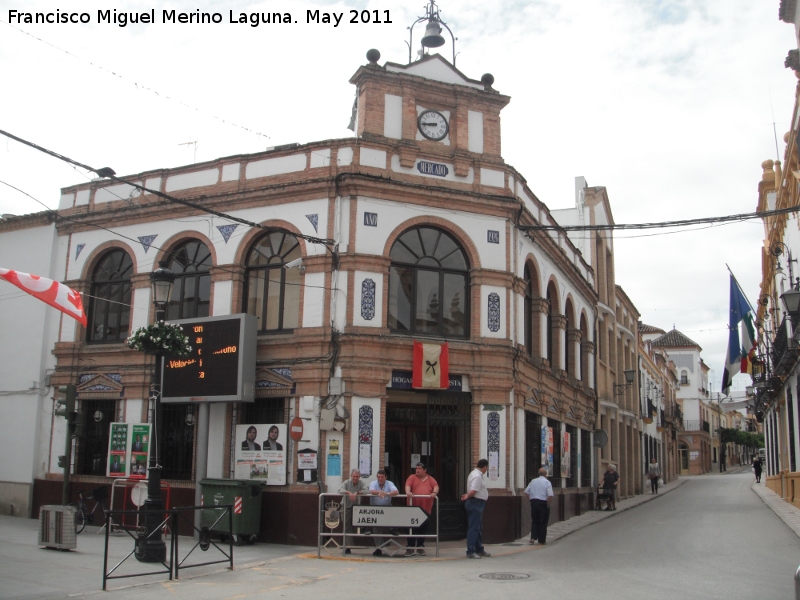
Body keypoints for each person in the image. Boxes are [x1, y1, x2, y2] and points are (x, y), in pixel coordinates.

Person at [404, 462, 439, 556]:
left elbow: (435, 486)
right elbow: (407, 485)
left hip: (425, 508)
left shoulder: (430, 479)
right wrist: (408, 492)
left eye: (419, 468)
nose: (417, 470)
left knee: (422, 528)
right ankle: (410, 547)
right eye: (416, 468)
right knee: (411, 528)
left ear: (424, 470)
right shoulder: (412, 477)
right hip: (413, 508)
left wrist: (434, 493)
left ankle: (420, 546)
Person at [461, 458, 491, 559]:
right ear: (485, 467)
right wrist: (468, 496)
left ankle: (479, 548)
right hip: (475, 502)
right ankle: (470, 550)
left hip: (476, 502)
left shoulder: (475, 474)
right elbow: (473, 490)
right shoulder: (477, 476)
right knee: (474, 527)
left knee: (477, 527)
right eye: (487, 468)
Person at [368, 469, 399, 556]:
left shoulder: (389, 483)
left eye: (382, 477)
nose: (380, 479)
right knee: (376, 529)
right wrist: (379, 492)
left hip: (387, 508)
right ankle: (379, 548)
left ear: (386, 477)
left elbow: (396, 491)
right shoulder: (373, 483)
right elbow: (371, 491)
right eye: (378, 477)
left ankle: (394, 529)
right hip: (375, 509)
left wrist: (387, 494)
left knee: (395, 516)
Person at [338, 469, 369, 554]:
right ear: (351, 476)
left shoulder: (361, 483)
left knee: (361, 519)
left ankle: (364, 529)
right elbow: (340, 490)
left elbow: (367, 491)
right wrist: (349, 493)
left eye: (357, 477)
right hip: (346, 506)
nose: (355, 478)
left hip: (356, 507)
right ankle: (347, 547)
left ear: (359, 477)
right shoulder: (346, 482)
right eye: (354, 476)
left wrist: (357, 493)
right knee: (346, 526)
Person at [524, 466, 554, 545]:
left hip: (534, 502)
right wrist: (548, 503)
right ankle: (541, 540)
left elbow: (526, 492)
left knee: (534, 520)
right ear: (546, 474)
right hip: (543, 503)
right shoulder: (547, 482)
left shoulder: (533, 481)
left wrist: (531, 499)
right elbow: (550, 495)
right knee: (543, 521)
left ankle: (533, 537)